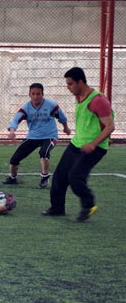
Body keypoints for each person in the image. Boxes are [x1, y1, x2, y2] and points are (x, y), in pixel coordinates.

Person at [43, 67, 115, 221]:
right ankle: (57, 208)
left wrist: (94, 144)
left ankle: (88, 206)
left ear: (80, 82)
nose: (68, 87)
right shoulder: (79, 96)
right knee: (59, 177)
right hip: (77, 144)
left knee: (75, 177)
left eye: (70, 84)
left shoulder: (98, 101)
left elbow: (110, 126)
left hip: (94, 148)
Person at [2, 83, 71, 188]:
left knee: (44, 153)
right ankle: (12, 178)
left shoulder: (51, 105)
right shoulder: (26, 107)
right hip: (33, 137)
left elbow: (61, 116)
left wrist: (66, 127)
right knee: (14, 160)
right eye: (33, 94)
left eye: (38, 94)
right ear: (29, 94)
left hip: (49, 136)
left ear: (42, 94)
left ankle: (44, 178)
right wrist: (12, 131)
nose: (35, 96)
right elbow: (16, 119)